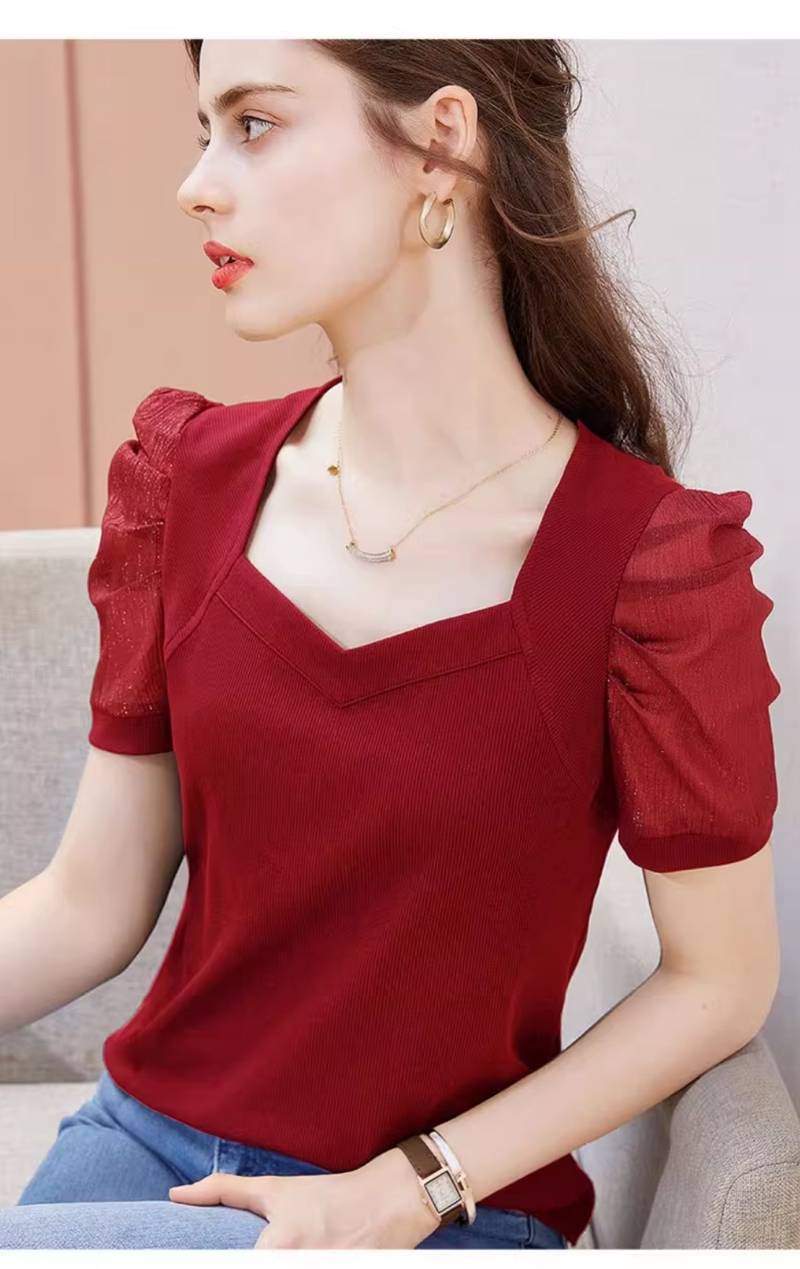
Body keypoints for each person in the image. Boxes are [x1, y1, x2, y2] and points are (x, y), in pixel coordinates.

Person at [0, 39, 782, 1251]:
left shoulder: (649, 567)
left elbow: (718, 981)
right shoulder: (182, 484)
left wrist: (407, 1186)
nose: (196, 185)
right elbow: (88, 905)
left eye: (254, 124)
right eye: (204, 131)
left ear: (439, 141)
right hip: (141, 1151)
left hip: (429, 1217)